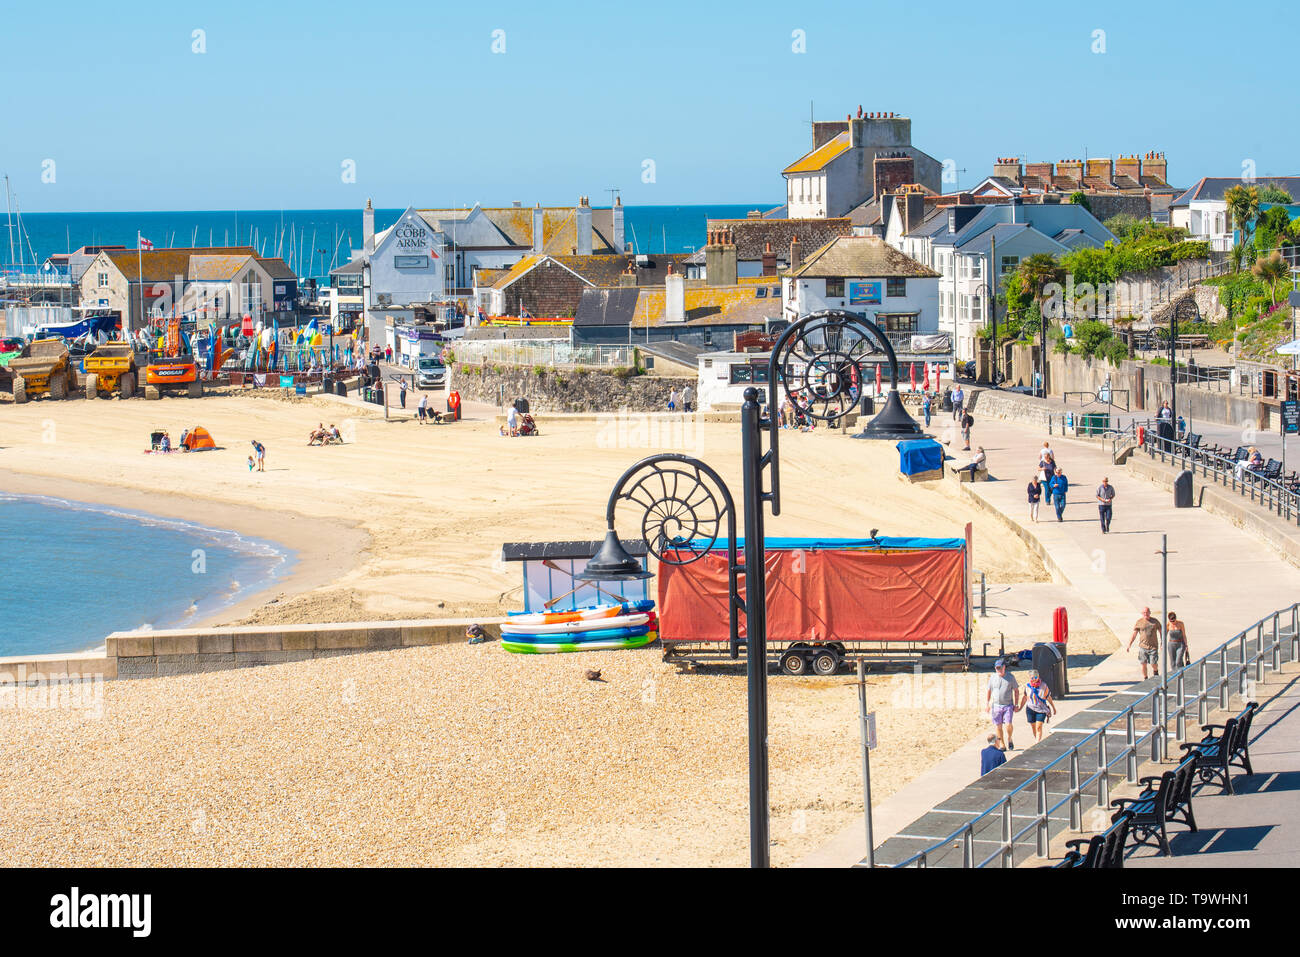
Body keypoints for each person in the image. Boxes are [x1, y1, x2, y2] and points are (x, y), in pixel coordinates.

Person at [986, 658, 1022, 750]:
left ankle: (1009, 738)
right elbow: (989, 690)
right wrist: (987, 704)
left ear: (1004, 667)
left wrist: (1016, 704)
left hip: (1008, 705)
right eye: (997, 668)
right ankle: (1002, 744)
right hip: (996, 705)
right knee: (998, 726)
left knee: (1008, 724)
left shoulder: (1010, 677)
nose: (999, 670)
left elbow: (1016, 691)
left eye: (1000, 668)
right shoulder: (993, 678)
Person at [1127, 607, 1162, 679]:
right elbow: (1134, 634)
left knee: (1153, 663)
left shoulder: (1155, 621)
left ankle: (1156, 673)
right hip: (1143, 646)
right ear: (1142, 614)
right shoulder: (1139, 622)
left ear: (1150, 612)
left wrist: (1162, 642)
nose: (1146, 614)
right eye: (1144, 613)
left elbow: (1161, 631)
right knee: (1143, 663)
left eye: (1147, 612)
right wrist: (1129, 644)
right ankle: (1145, 678)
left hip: (1153, 646)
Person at [1023, 670, 1056, 743]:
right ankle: (1037, 741)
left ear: (1038, 677)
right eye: (1032, 678)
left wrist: (1053, 707)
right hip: (1030, 708)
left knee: (1038, 727)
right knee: (1033, 726)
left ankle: (1037, 742)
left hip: (1041, 709)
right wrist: (1019, 707)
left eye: (1035, 677)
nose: (1034, 679)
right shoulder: (1027, 686)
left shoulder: (1043, 685)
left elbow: (1048, 697)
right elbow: (1025, 697)